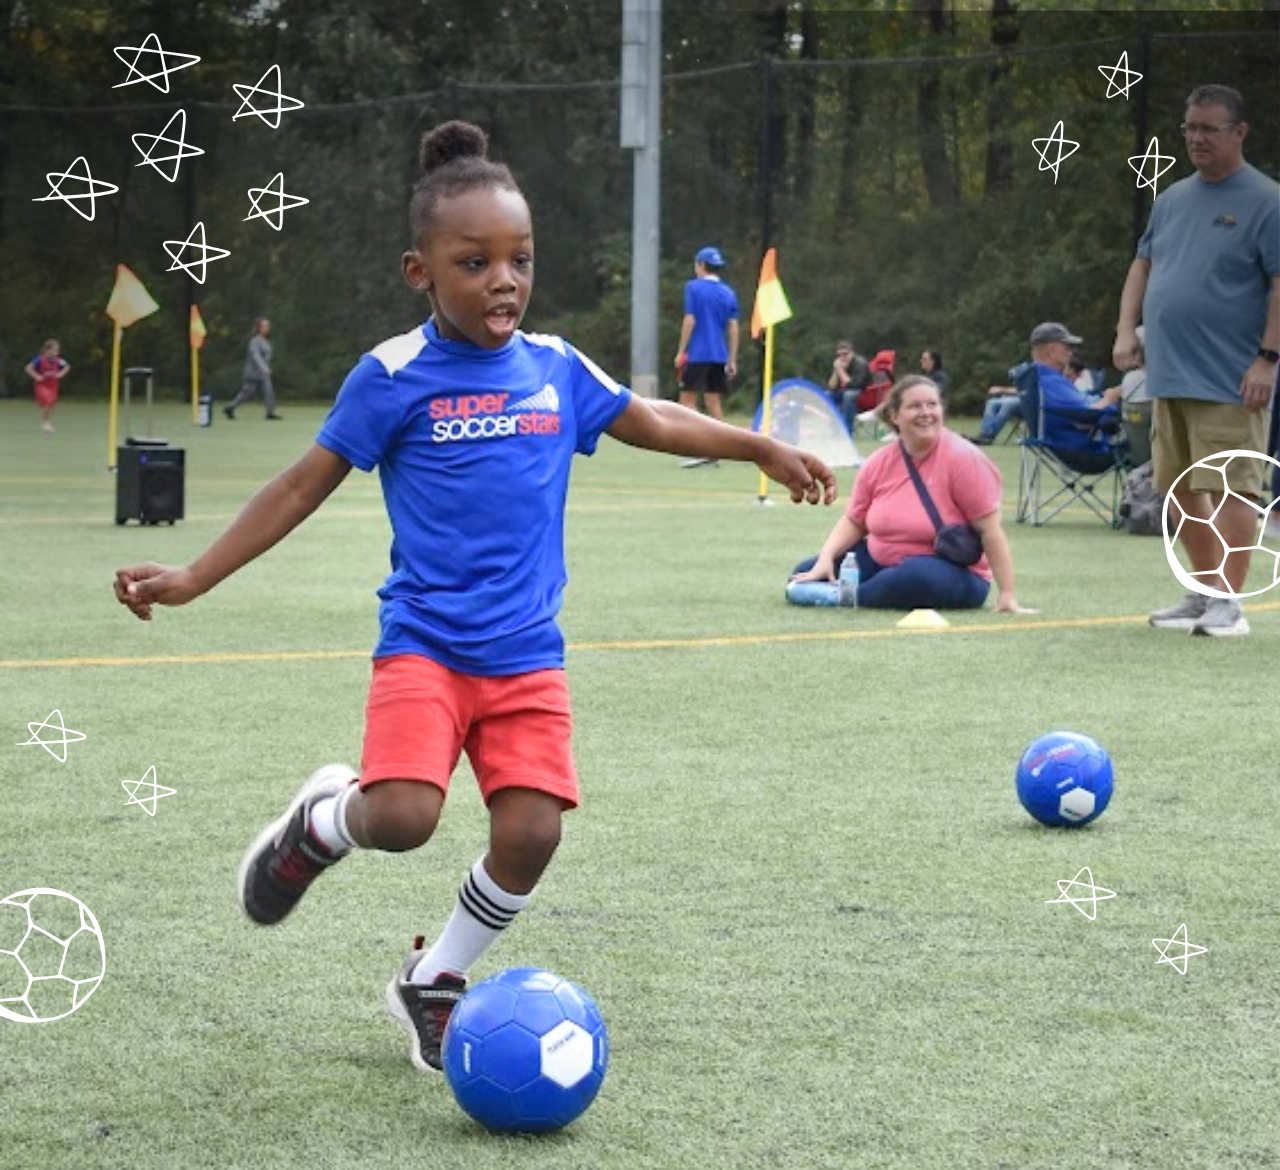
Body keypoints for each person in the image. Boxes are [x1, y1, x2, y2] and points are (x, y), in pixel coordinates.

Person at [113, 121, 835, 1074]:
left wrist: (757, 444)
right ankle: (323, 821)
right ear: (421, 271)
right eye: (475, 261)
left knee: (532, 833)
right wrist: (195, 575)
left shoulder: (555, 368)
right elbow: (299, 484)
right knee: (403, 818)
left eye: (520, 260)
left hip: (526, 655)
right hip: (425, 647)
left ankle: (436, 978)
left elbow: (649, 419)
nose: (504, 280)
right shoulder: (392, 376)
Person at [1114, 84, 1279, 637]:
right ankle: (1206, 590)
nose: (1196, 138)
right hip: (1169, 372)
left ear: (1240, 132)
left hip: (1233, 376)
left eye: (1209, 128)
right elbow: (1142, 266)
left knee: (1233, 487)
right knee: (1179, 489)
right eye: (1189, 128)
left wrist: (1268, 359)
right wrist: (1124, 331)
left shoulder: (1267, 200)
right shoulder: (1172, 199)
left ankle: (1229, 605)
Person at [790, 375, 1030, 612]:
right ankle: (846, 591)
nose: (926, 412)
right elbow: (855, 520)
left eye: (932, 405)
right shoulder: (878, 462)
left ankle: (849, 596)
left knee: (912, 578)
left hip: (950, 571)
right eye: (915, 406)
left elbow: (990, 531)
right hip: (881, 561)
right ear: (894, 416)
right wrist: (826, 557)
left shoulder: (964, 458)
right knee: (805, 571)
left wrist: (1007, 593)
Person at [972, 323, 1121, 450]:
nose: (1071, 352)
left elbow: (1081, 402)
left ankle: (986, 435)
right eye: (1066, 347)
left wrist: (1103, 398)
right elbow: (1087, 411)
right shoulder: (1050, 381)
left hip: (1064, 440)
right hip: (1083, 446)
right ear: (1051, 351)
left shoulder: (1037, 377)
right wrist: (1111, 398)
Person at [674, 245, 739, 423]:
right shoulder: (728, 293)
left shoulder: (693, 288)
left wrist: (681, 351)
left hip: (697, 353)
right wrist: (732, 359)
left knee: (686, 400)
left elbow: (690, 321)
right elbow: (733, 327)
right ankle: (723, 443)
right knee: (713, 401)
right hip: (719, 355)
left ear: (701, 264)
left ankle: (688, 439)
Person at [224, 316, 282, 420]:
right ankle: (230, 407)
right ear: (258, 327)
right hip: (253, 373)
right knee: (246, 393)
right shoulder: (255, 341)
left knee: (269, 391)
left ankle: (270, 412)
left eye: (268, 326)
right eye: (264, 326)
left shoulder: (265, 341)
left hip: (263, 374)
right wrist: (264, 368)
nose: (267, 328)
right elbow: (256, 356)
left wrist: (266, 369)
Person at [25, 338, 69, 432]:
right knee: (47, 401)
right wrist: (36, 376)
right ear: (47, 350)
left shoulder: (58, 360)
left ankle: (46, 422)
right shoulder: (39, 360)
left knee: (50, 404)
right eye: (54, 350)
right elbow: (28, 368)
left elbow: (67, 367)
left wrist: (61, 374)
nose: (56, 353)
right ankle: (46, 423)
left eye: (57, 351)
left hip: (53, 386)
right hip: (42, 385)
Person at [828, 338, 870, 429]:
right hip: (847, 391)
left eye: (845, 354)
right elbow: (832, 386)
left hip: (864, 392)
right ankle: (834, 426)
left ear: (852, 353)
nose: (843, 357)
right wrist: (836, 370)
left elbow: (853, 385)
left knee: (848, 395)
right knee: (826, 395)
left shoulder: (860, 363)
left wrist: (840, 370)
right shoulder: (839, 363)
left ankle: (847, 429)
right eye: (840, 355)